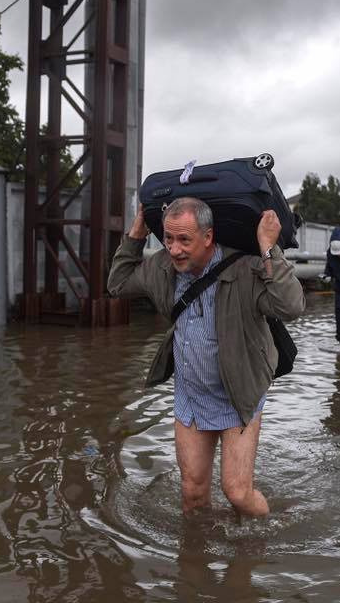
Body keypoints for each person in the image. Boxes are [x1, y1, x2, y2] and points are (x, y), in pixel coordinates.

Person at [107, 198, 305, 517]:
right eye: (168, 239)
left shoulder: (245, 269)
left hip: (238, 394)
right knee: (193, 494)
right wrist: (135, 235)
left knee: (238, 493)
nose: (174, 249)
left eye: (185, 240)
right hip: (192, 393)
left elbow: (291, 306)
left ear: (208, 237)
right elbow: (117, 284)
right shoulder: (162, 267)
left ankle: (257, 542)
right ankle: (196, 558)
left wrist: (269, 248)